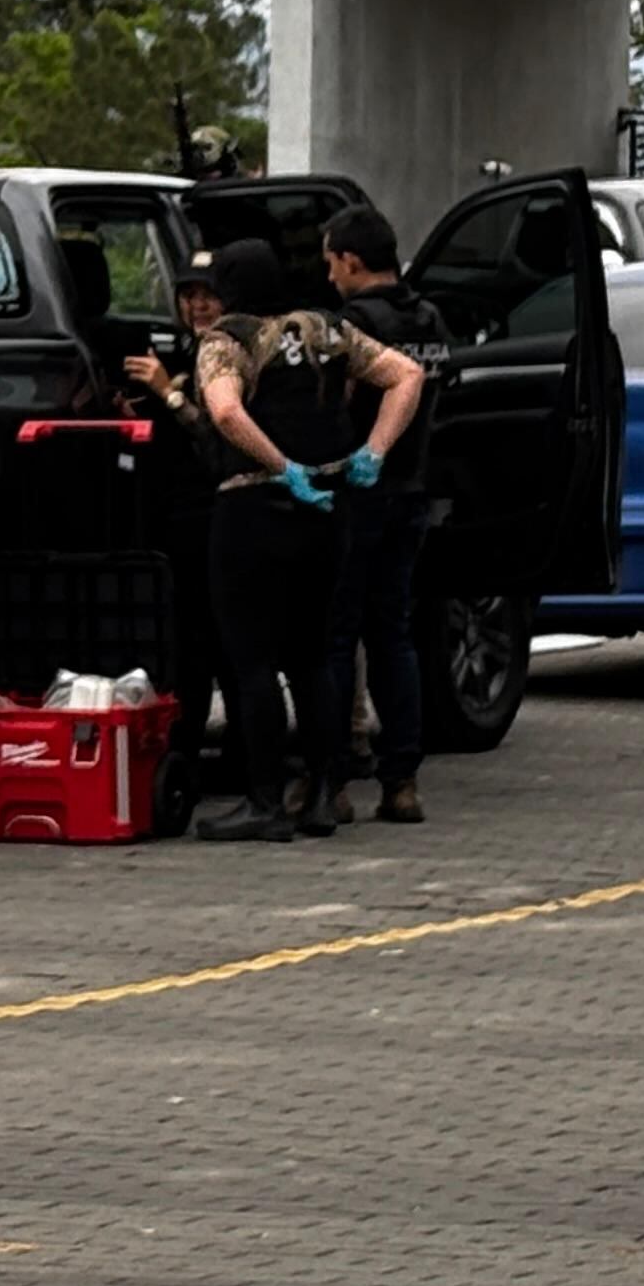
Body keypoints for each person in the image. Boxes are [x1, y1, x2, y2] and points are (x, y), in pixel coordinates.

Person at [185, 238, 423, 840]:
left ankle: (264, 802)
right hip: (327, 509)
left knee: (253, 660)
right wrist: (374, 451)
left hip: (252, 510)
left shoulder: (228, 341)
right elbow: (407, 375)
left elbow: (226, 413)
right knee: (315, 658)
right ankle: (321, 795)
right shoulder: (328, 330)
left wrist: (279, 464)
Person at [320, 208, 451, 825]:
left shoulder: (353, 324)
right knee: (394, 635)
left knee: (340, 636)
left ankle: (337, 782)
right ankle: (402, 782)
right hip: (412, 491)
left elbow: (336, 402)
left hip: (359, 491)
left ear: (350, 260)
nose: (328, 275)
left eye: (329, 262)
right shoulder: (428, 318)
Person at [124, 252, 232, 799]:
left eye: (209, 294)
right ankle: (184, 743)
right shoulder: (189, 349)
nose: (198, 305)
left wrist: (168, 390)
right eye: (189, 295)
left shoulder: (231, 352)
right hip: (177, 513)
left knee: (220, 640)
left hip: (218, 513)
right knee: (185, 635)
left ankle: (234, 757)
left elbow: (215, 434)